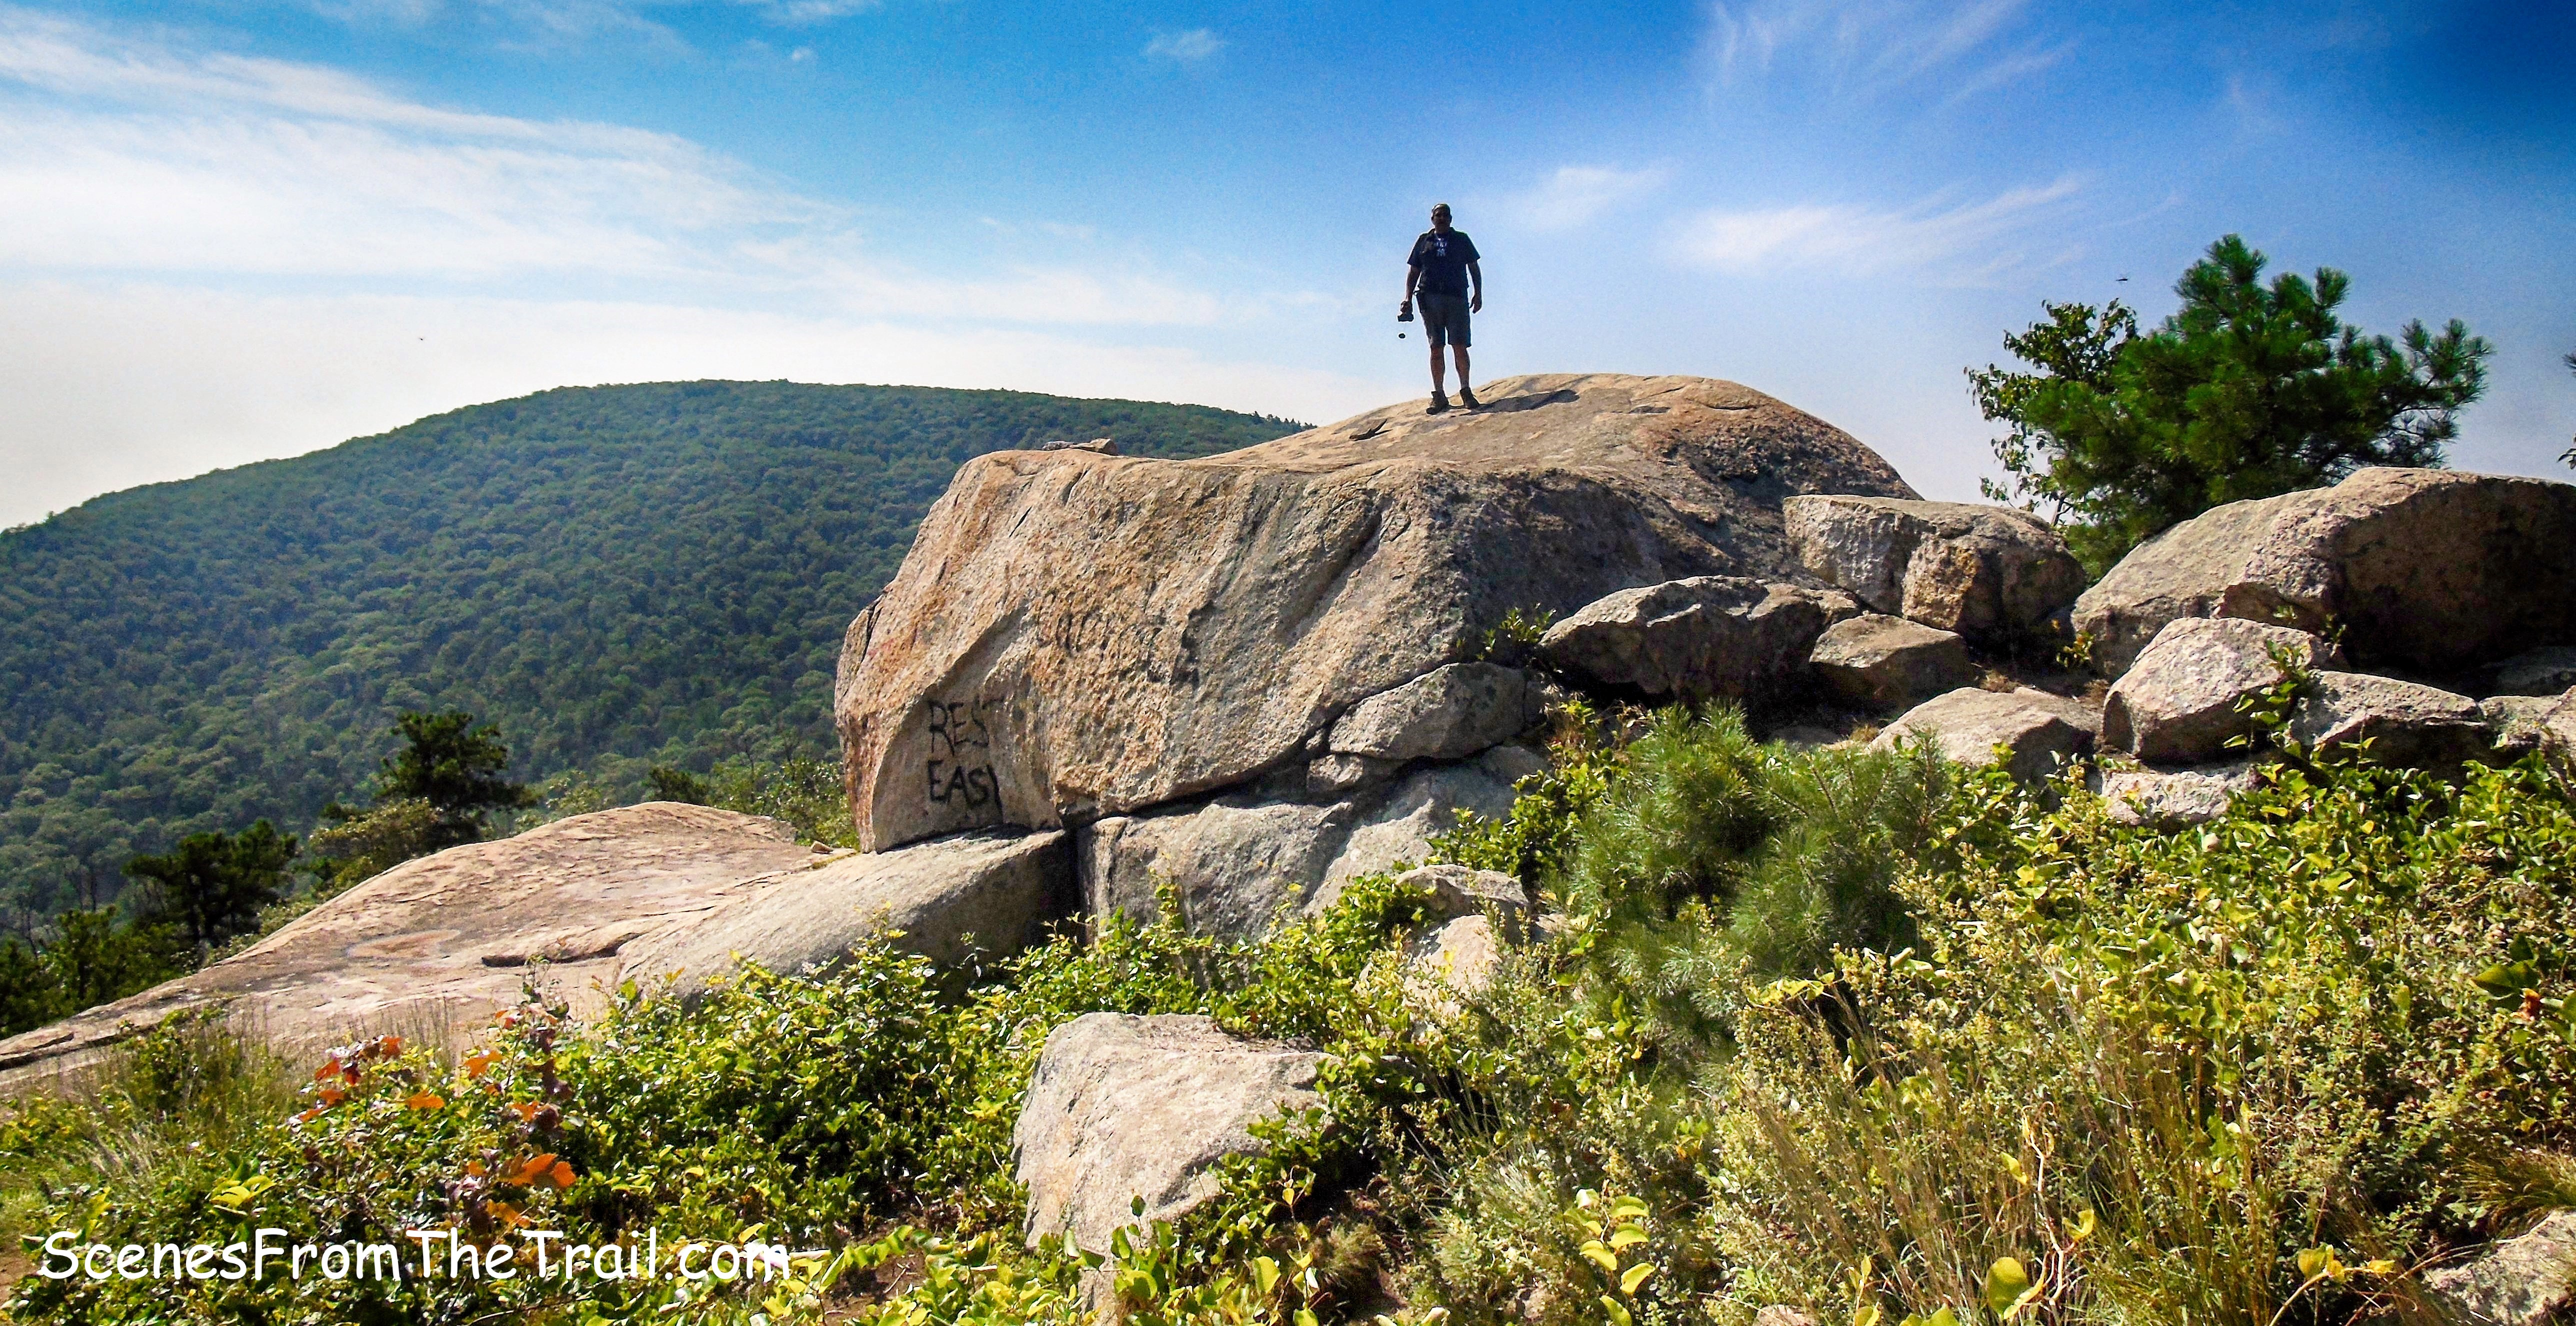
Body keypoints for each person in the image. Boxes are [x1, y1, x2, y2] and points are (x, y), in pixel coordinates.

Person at [1400, 203, 1482, 413]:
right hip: (1430, 298)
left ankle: (1466, 391)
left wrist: (1478, 293)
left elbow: (1474, 267)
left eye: (1446, 215)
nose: (1442, 218)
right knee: (1436, 347)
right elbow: (1413, 271)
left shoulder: (1462, 240)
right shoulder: (1423, 241)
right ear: (1432, 219)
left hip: (1456, 297)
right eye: (1439, 215)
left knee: (1460, 345)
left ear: (1451, 219)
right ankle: (1439, 396)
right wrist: (1407, 299)